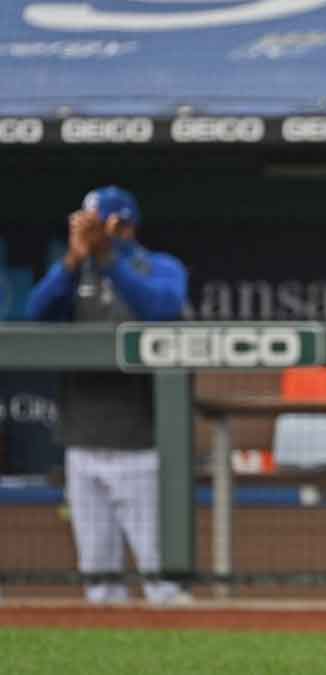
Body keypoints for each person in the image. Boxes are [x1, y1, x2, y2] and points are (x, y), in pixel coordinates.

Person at [26, 186, 188, 605]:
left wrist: (108, 261)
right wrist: (73, 261)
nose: (85, 231)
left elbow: (162, 308)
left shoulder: (159, 266)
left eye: (94, 223)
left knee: (162, 580)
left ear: (118, 224)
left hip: (140, 442)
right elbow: (34, 317)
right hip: (82, 439)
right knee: (99, 584)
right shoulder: (71, 274)